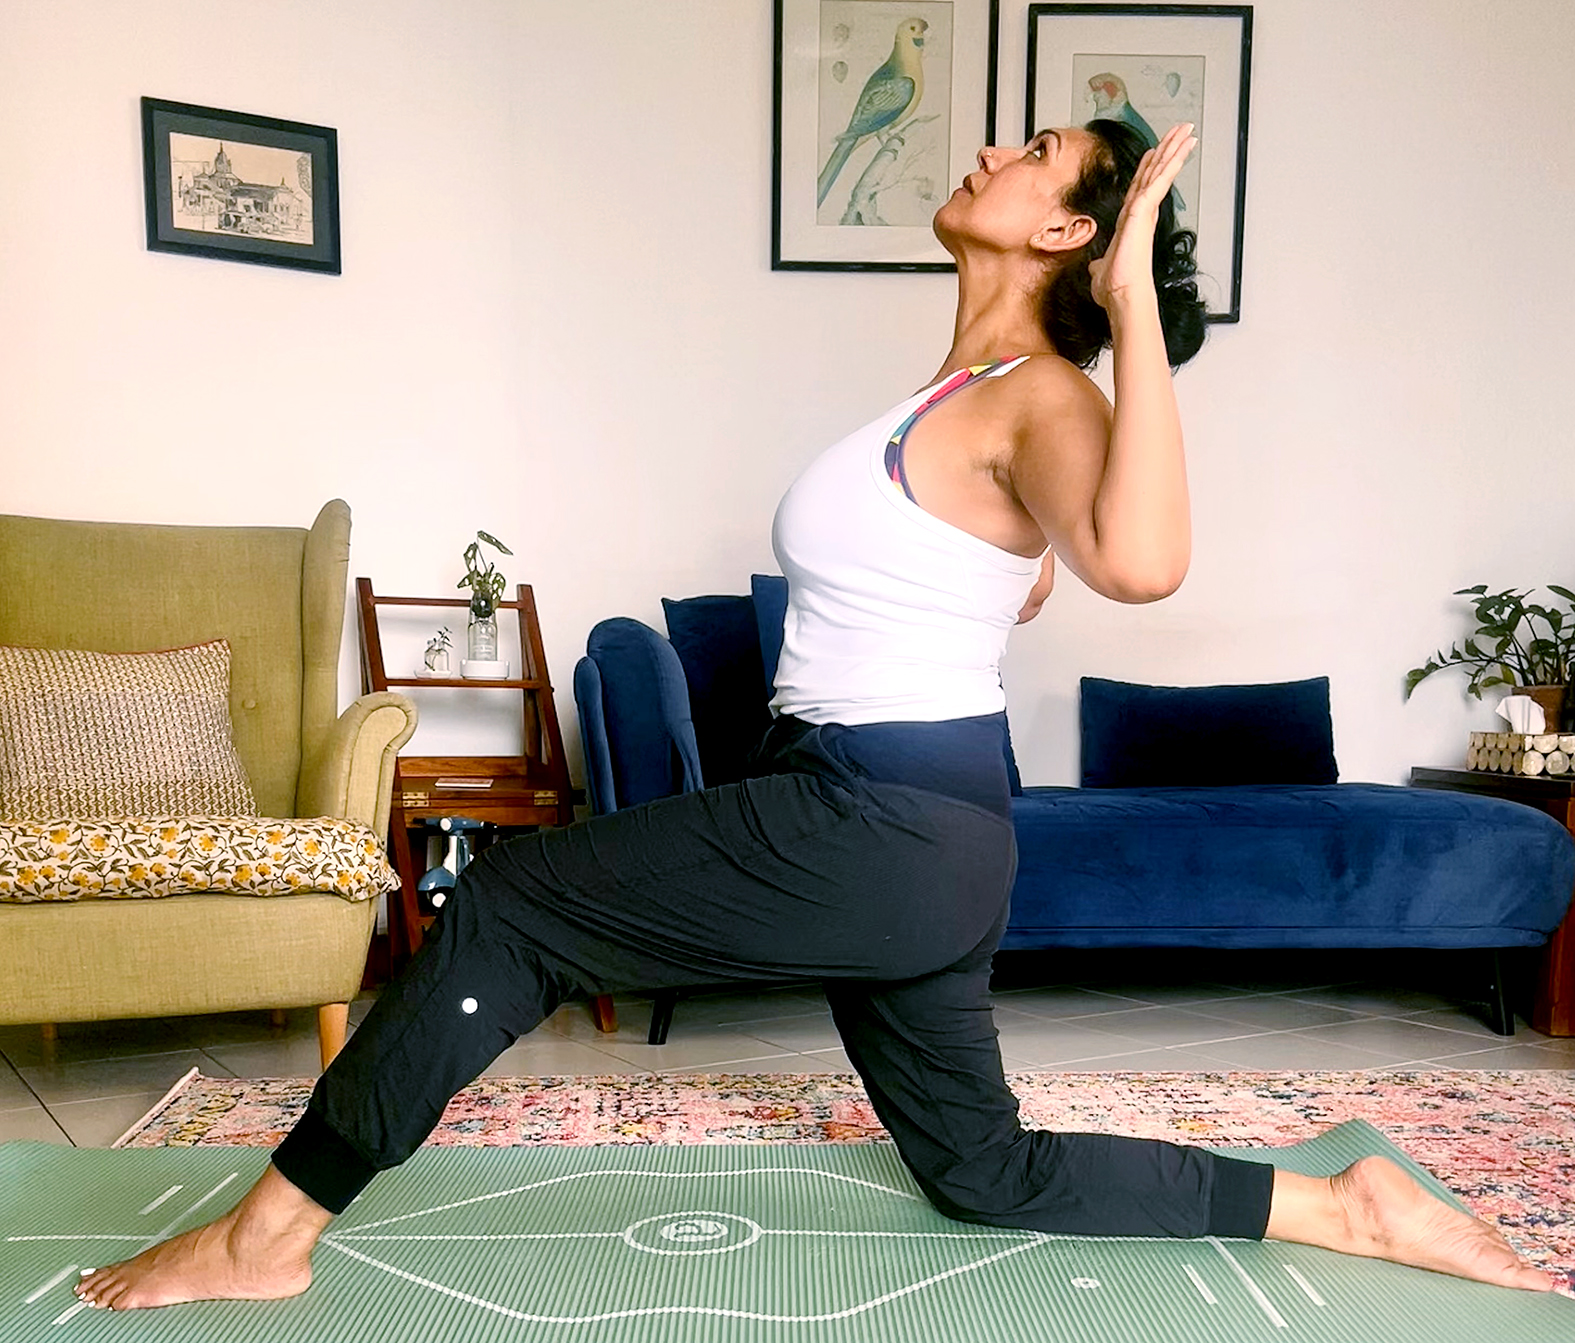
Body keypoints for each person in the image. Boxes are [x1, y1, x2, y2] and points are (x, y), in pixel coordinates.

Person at [75, 121, 1552, 1311]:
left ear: (1068, 234)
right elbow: (1015, 571)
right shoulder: (964, 393)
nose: (993, 151)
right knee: (982, 1170)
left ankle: (267, 1236)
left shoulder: (1044, 392)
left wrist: (1127, 311)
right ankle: (1342, 1205)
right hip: (917, 829)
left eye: (1037, 154)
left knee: (513, 904)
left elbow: (1143, 561)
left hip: (878, 820)